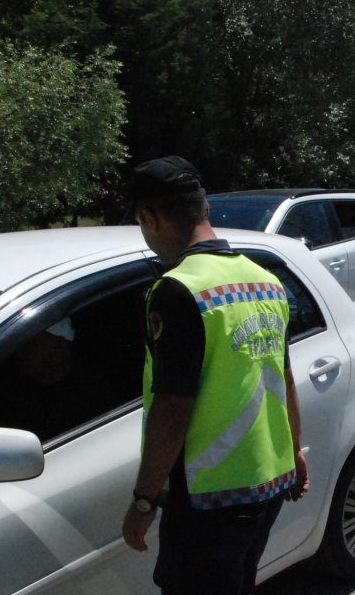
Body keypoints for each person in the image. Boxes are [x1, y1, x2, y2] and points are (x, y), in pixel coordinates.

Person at [121, 156, 309, 595]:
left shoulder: (177, 289)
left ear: (151, 217)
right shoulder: (263, 280)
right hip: (269, 485)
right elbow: (285, 377)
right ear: (203, 209)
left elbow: (172, 406)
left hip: (210, 499)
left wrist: (145, 499)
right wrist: (295, 453)